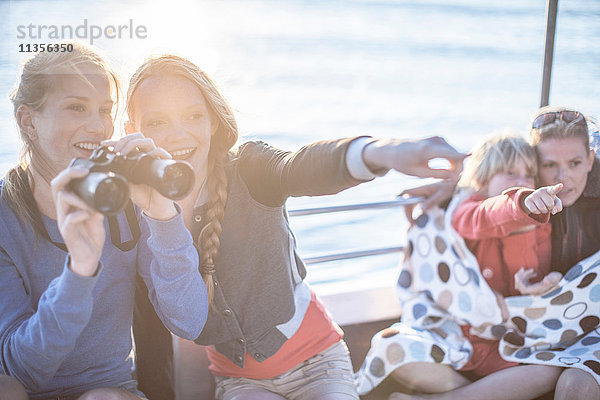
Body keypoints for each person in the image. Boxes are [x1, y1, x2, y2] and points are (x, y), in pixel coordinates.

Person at [120, 54, 467, 400]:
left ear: (212, 120)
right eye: (157, 122)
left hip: (320, 365)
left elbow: (299, 166)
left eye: (193, 115)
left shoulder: (249, 167)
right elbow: (181, 323)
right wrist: (162, 217)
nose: (178, 134)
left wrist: (381, 153)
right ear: (132, 132)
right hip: (241, 383)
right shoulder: (134, 214)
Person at [0, 43, 208, 399]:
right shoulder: (6, 217)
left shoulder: (125, 202)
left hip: (110, 391)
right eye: (76, 108)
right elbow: (24, 371)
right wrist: (79, 271)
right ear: (28, 121)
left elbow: (189, 321)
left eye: (105, 110)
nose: (98, 127)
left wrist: (162, 215)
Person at [394, 106, 600, 400]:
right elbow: (491, 210)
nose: (563, 177)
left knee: (570, 384)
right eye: (549, 165)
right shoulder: (532, 200)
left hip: (570, 329)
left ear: (591, 159)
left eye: (576, 162)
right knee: (396, 350)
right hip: (505, 332)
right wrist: (460, 186)